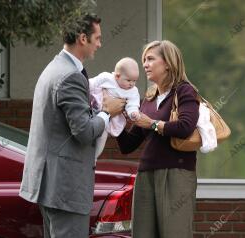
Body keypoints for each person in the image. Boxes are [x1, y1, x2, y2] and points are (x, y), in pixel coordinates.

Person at [19, 13, 126, 238]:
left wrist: (98, 112)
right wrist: (108, 112)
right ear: (82, 38)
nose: (100, 43)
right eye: (97, 38)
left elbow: (68, 122)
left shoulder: (54, 68)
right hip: (65, 188)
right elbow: (84, 132)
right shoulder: (70, 76)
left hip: (51, 186)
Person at [116, 40, 199, 238]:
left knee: (174, 234)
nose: (144, 64)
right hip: (146, 176)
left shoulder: (185, 91)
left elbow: (186, 127)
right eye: (144, 59)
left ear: (168, 63)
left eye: (151, 59)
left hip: (176, 175)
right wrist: (114, 115)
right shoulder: (149, 99)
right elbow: (128, 145)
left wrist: (152, 124)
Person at [89, 57, 140, 159]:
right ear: (117, 76)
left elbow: (133, 104)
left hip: (109, 120)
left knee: (102, 138)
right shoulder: (107, 78)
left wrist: (133, 113)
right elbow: (91, 84)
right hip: (93, 110)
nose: (131, 84)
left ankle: (93, 158)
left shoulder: (133, 91)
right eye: (129, 80)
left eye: (134, 81)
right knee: (89, 134)